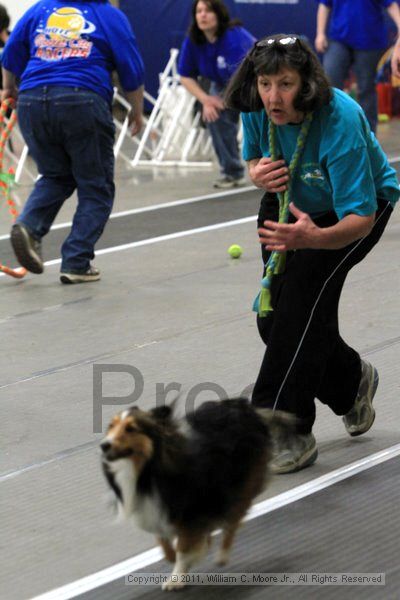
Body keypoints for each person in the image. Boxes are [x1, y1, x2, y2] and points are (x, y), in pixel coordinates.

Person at [225, 34, 399, 473]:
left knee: (301, 297)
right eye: (266, 84)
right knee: (273, 319)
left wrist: (312, 240)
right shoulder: (256, 106)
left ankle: (286, 427)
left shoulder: (340, 118)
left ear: (306, 84)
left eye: (284, 84)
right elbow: (252, 163)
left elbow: (359, 217)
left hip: (353, 209)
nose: (273, 97)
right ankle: (350, 381)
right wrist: (256, 174)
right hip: (285, 203)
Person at [1, 0, 144, 284]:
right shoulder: (108, 15)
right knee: (96, 186)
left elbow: (10, 54)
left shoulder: (41, 9)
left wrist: (8, 89)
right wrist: (137, 111)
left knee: (55, 175)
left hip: (32, 99)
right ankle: (76, 261)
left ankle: (29, 227)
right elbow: (132, 70)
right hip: (81, 98)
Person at [178, 0, 255, 189]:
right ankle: (232, 172)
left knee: (258, 121)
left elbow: (247, 73)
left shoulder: (234, 37)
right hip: (221, 84)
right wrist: (206, 100)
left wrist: (228, 100)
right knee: (212, 114)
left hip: (251, 82)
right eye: (199, 11)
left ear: (219, 15)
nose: (202, 15)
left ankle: (274, 166)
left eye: (208, 11)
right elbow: (185, 76)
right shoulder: (194, 40)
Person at [315, 0, 400, 134]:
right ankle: (330, 133)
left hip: (369, 41)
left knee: (366, 89)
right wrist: (320, 33)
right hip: (339, 38)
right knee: (330, 85)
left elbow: (391, 4)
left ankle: (368, 136)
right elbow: (324, 4)